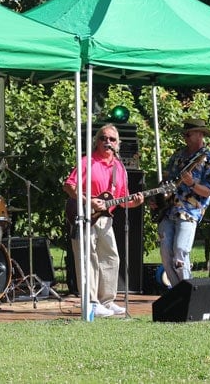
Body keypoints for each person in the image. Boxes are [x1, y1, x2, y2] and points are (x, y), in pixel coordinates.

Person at [63, 124, 144, 317]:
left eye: (112, 139)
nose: (108, 142)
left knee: (111, 257)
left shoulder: (119, 168)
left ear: (118, 144)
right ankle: (91, 302)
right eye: (103, 138)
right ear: (97, 142)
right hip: (84, 215)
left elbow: (122, 201)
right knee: (87, 257)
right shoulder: (87, 162)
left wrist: (135, 203)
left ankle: (107, 301)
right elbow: (69, 186)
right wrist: (88, 201)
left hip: (106, 219)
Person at [156, 118, 210, 287]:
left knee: (181, 252)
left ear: (200, 134)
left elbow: (208, 191)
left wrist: (191, 183)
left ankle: (188, 292)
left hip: (190, 212)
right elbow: (167, 179)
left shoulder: (208, 159)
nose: (185, 137)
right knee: (166, 254)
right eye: (184, 134)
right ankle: (178, 291)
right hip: (169, 211)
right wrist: (157, 198)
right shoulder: (178, 155)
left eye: (189, 133)